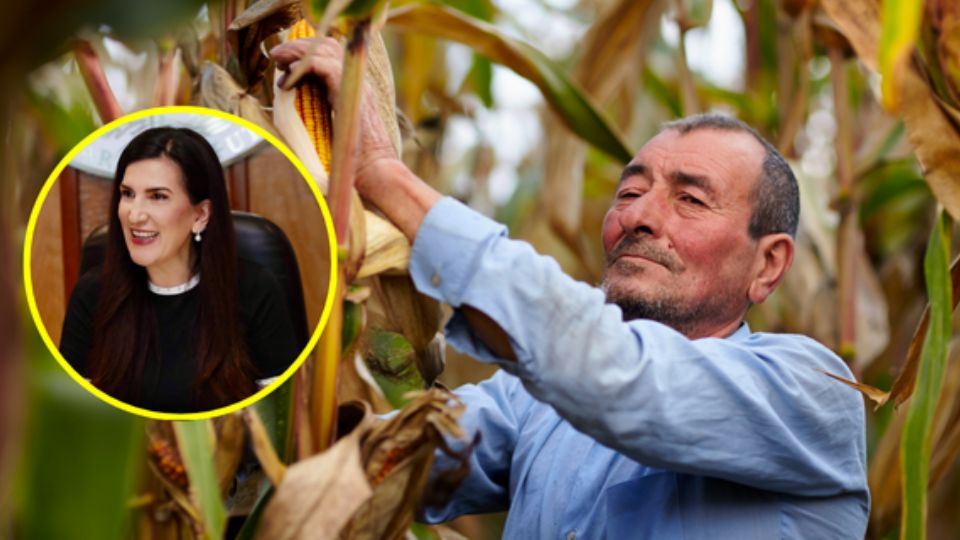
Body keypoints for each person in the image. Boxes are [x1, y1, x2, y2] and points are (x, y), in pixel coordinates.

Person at [271, 40, 869, 538]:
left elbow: (615, 375)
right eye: (629, 192)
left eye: (690, 199)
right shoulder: (529, 405)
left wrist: (383, 173)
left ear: (768, 265)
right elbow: (368, 463)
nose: (638, 217)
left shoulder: (813, 396)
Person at [60, 126, 299, 413]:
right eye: (127, 194)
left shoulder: (255, 290)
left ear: (200, 215)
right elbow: (73, 416)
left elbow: (281, 417)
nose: (134, 214)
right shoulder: (92, 294)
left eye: (158, 196)